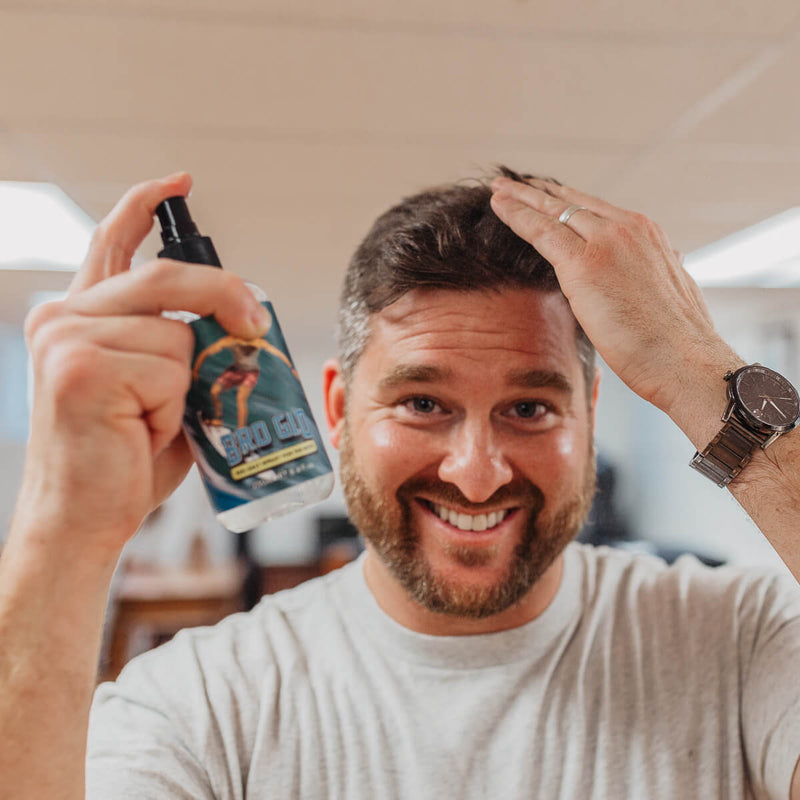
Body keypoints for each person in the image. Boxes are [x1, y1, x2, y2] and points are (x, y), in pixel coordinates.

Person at [1, 167, 799, 799]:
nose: (477, 472)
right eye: (423, 403)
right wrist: (62, 533)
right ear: (340, 410)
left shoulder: (744, 639)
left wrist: (703, 379)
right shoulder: (196, 704)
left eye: (529, 406)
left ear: (589, 414)